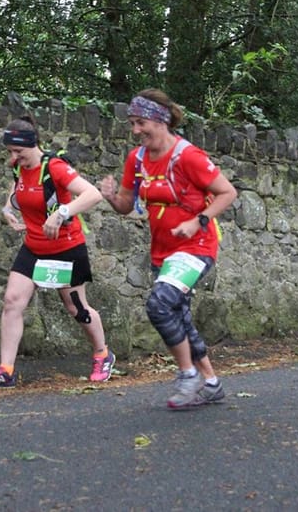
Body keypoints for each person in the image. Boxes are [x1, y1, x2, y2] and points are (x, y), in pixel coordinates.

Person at [99, 89, 238, 409]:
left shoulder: (188, 156)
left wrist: (198, 221)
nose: (136, 130)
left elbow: (227, 193)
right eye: (132, 123)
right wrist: (110, 197)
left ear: (161, 121)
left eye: (141, 122)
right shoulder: (136, 159)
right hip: (163, 251)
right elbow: (126, 204)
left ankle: (188, 374)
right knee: (179, 315)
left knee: (160, 305)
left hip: (196, 246)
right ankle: (212, 383)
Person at [0, 115, 115, 387]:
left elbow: (93, 194)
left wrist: (61, 213)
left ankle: (102, 354)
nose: (13, 157)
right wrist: (7, 209)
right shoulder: (19, 167)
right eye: (10, 152)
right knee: (12, 301)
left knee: (76, 308)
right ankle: (5, 370)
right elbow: (17, 188)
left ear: (33, 144)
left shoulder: (55, 167)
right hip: (34, 247)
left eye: (18, 151)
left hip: (66, 248)